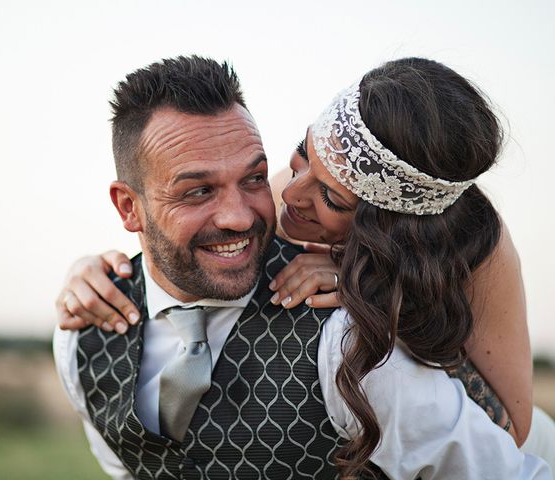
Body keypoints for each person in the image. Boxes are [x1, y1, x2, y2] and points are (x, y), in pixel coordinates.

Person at [53, 55, 551, 479]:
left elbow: (509, 440)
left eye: (331, 197)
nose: (284, 196)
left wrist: (371, 297)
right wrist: (89, 270)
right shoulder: (85, 336)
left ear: (383, 227)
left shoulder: (462, 260)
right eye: (299, 156)